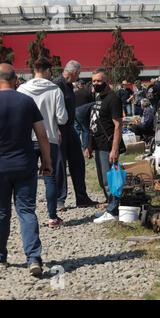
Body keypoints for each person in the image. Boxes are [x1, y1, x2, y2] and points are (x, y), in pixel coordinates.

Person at [0, 63, 53, 276]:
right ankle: (33, 258)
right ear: (15, 80)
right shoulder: (27, 101)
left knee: (1, 214)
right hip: (25, 165)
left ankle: (0, 256)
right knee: (26, 210)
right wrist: (47, 162)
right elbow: (42, 135)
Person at [17, 57, 68, 228]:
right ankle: (52, 217)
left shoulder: (22, 89)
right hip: (49, 137)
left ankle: (27, 216)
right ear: (47, 71)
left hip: (27, 138)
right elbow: (62, 118)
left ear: (34, 70)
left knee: (27, 178)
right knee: (50, 177)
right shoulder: (55, 90)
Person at [53, 60, 97, 211]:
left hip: (70, 127)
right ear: (73, 72)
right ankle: (59, 200)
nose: (78, 77)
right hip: (58, 128)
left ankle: (82, 197)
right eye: (78, 74)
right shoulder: (57, 84)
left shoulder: (69, 85)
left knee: (78, 162)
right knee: (59, 164)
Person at [85, 68, 125, 224]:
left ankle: (113, 211)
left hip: (108, 146)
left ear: (106, 81)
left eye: (99, 81)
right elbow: (93, 123)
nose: (96, 83)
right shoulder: (98, 97)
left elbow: (118, 125)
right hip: (98, 144)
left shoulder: (113, 99)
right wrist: (89, 145)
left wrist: (114, 149)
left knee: (110, 181)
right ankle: (110, 206)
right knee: (103, 180)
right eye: (94, 81)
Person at [74, 80, 94, 151]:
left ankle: (76, 146)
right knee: (85, 130)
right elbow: (92, 104)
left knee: (77, 130)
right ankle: (85, 147)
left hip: (75, 112)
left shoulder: (75, 93)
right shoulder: (87, 93)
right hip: (83, 113)